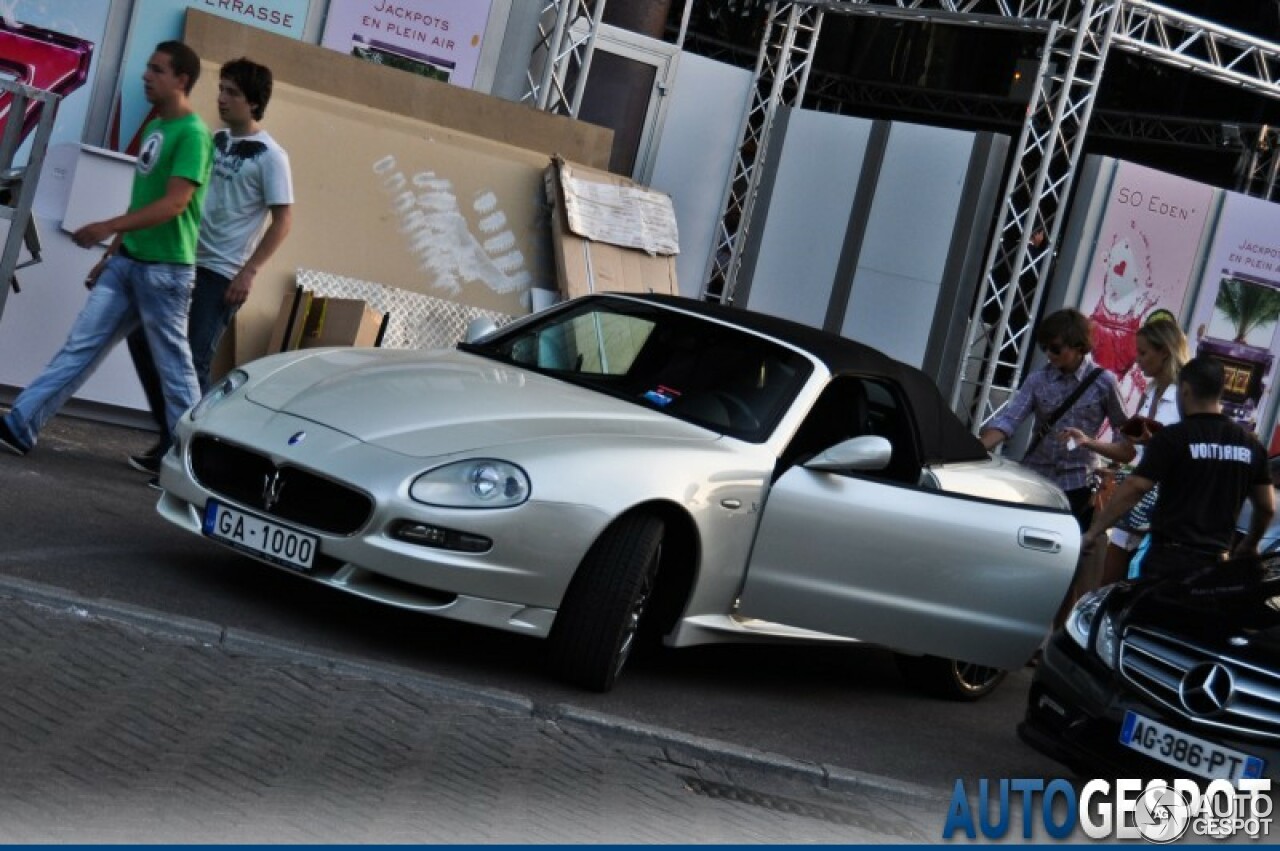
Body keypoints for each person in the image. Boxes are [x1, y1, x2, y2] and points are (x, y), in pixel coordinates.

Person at [0, 41, 212, 458]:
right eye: (147, 67)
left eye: (157, 70)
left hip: (166, 272)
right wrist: (111, 252)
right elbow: (142, 200)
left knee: (175, 371)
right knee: (81, 347)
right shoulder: (157, 129)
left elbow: (174, 204)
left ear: (182, 80)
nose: (146, 76)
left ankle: (195, 458)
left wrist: (106, 227)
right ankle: (20, 426)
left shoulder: (193, 134)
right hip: (129, 264)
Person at [126, 57, 294, 473]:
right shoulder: (213, 140)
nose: (222, 98)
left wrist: (249, 271)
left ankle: (192, 461)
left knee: (192, 360)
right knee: (142, 341)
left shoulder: (273, 157)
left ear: (254, 102)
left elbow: (284, 220)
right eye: (221, 89)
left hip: (222, 272)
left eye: (233, 93)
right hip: (180, 259)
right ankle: (172, 439)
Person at [1083, 355, 1275, 580]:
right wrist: (1250, 544)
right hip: (1215, 566)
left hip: (1168, 562)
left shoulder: (1174, 438)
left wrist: (1094, 533)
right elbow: (1266, 506)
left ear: (1184, 390)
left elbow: (1135, 487)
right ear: (1218, 392)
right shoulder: (1250, 445)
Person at [1063, 318, 1190, 586]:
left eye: (1143, 353)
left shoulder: (1185, 397)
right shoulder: (1151, 391)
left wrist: (1152, 445)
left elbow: (1186, 454)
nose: (1138, 359)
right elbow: (1129, 451)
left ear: (1164, 352)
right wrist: (1088, 442)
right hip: (1135, 501)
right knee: (1107, 584)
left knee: (1142, 586)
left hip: (1166, 508)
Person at [980, 307, 1128, 531]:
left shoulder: (1104, 382)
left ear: (1079, 346)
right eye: (1045, 347)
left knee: (1067, 545)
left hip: (1079, 481)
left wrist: (1112, 468)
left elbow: (1122, 431)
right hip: (1036, 477)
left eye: (1056, 348)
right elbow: (1009, 421)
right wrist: (977, 448)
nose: (1049, 353)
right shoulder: (1037, 380)